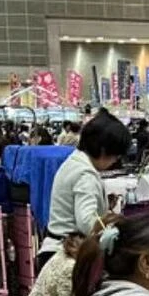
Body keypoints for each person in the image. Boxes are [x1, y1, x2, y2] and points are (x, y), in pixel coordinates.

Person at [44, 108, 132, 259]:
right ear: (104, 150)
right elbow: (86, 224)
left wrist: (103, 205)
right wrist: (112, 221)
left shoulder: (75, 162)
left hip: (56, 247)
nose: (115, 161)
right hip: (66, 254)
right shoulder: (85, 174)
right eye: (116, 155)